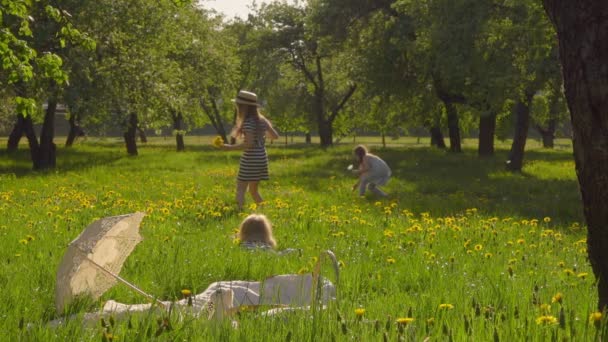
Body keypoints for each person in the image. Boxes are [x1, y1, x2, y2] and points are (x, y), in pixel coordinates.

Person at [220, 90, 279, 210]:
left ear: (243, 106)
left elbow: (249, 144)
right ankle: (265, 211)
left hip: (250, 159)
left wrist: (229, 148)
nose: (237, 107)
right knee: (253, 190)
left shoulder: (247, 122)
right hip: (262, 157)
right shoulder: (262, 120)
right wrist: (260, 135)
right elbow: (275, 136)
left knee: (241, 188)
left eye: (238, 105)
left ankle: (239, 212)